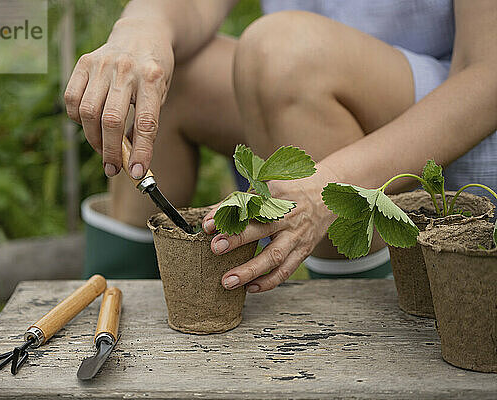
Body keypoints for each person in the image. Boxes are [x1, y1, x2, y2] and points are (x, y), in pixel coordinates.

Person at [65, 0, 497, 291]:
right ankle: (111, 304)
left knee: (284, 54)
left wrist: (329, 186)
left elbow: (489, 76)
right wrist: (141, 31)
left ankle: (364, 333)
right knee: (169, 73)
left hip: (450, 135)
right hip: (292, 87)